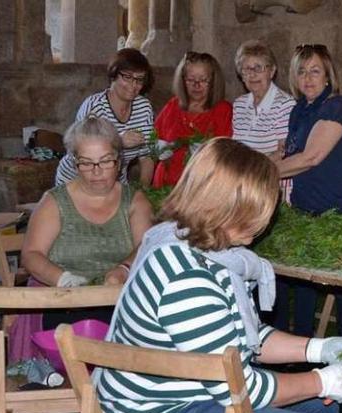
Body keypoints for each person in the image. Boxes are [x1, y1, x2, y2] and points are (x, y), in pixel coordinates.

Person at [95, 138, 342, 413]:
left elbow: (248, 339)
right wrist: (321, 380)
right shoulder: (186, 278)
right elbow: (240, 389)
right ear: (226, 209)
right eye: (259, 211)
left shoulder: (206, 252)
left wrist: (320, 349)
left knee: (321, 409)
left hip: (192, 399)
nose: (266, 220)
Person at [22, 116, 153, 331]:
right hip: (64, 304)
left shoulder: (135, 201)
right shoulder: (54, 201)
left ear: (118, 162)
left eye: (105, 161)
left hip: (119, 302)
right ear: (75, 163)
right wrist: (62, 279)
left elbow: (146, 245)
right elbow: (31, 254)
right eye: (86, 162)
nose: (96, 170)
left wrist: (123, 268)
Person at [269, 44, 342, 340]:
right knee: (297, 285)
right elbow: (288, 156)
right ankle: (296, 355)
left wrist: (257, 173)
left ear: (328, 75)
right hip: (304, 209)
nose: (308, 78)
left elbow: (310, 158)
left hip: (335, 213)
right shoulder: (299, 109)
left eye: (315, 71)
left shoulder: (337, 106)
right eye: (301, 71)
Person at [54, 48, 156, 186]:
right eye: (127, 77)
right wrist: (118, 142)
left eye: (139, 80)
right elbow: (79, 153)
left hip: (116, 183)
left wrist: (143, 190)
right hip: (77, 182)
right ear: (113, 75)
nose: (133, 85)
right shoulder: (94, 107)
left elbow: (147, 155)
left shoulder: (144, 107)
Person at [153, 51, 233, 186]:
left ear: (213, 81)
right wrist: (158, 149)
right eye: (190, 79)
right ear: (182, 80)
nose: (196, 85)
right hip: (165, 186)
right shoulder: (172, 106)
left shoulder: (224, 110)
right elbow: (153, 141)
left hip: (202, 187)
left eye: (203, 80)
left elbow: (226, 155)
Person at [232, 40, 297, 202]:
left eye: (259, 68)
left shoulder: (285, 104)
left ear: (272, 71)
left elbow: (283, 152)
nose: (253, 74)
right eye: (247, 69)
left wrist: (249, 171)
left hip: (272, 186)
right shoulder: (239, 104)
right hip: (244, 185)